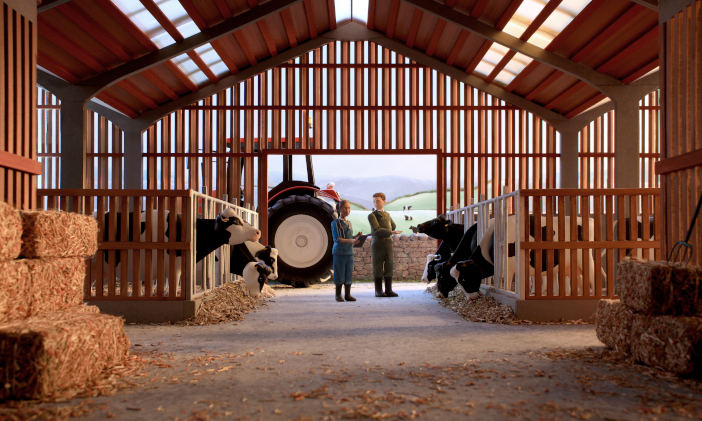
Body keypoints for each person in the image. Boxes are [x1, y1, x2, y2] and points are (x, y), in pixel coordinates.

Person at [368, 192, 401, 297]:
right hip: (377, 244)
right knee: (378, 266)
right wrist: (390, 232)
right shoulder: (372, 215)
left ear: (384, 201)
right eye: (374, 201)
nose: (375, 203)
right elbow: (376, 230)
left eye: (378, 200)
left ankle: (388, 290)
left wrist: (390, 230)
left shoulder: (387, 214)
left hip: (388, 244)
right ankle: (378, 291)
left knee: (389, 265)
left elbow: (394, 225)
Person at [331, 200, 359, 302]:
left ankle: (347, 294)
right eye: (345, 208)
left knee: (348, 273)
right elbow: (337, 239)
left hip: (349, 252)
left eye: (349, 208)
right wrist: (352, 240)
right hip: (339, 252)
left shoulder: (349, 223)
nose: (347, 210)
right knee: (339, 273)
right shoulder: (335, 223)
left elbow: (349, 236)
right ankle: (338, 295)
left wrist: (357, 236)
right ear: (339, 209)